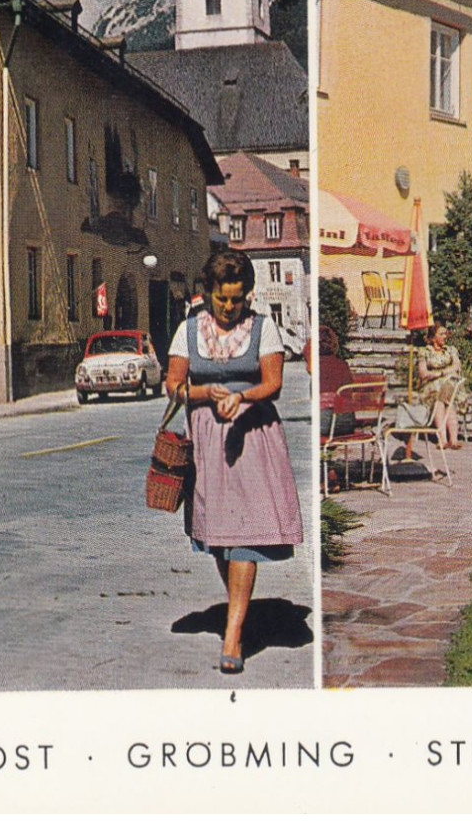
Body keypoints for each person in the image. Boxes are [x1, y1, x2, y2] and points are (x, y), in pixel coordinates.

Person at [164, 249, 303, 676]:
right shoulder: (188, 330)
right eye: (222, 299)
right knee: (220, 538)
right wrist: (204, 395)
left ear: (248, 294)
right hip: (207, 440)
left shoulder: (263, 328)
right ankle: (239, 617)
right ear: (208, 292)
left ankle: (233, 633)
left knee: (246, 534)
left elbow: (273, 383)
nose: (229, 307)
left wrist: (241, 396)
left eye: (237, 299)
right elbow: (173, 384)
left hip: (254, 436)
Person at [416, 322, 465, 449]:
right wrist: (444, 373)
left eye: (446, 333)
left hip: (450, 385)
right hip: (431, 388)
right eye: (441, 334)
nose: (445, 336)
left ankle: (450, 439)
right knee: (440, 396)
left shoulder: (451, 350)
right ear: (433, 337)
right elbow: (423, 373)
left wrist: (438, 373)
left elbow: (457, 366)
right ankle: (446, 439)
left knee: (445, 393)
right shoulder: (424, 352)